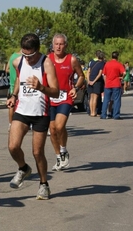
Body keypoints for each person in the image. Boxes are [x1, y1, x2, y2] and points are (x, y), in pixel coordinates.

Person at [6, 33, 59, 200]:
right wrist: (13, 96)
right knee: (13, 146)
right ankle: (23, 168)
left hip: (40, 113)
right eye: (24, 54)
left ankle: (44, 184)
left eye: (30, 55)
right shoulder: (18, 61)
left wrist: (41, 87)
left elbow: (56, 91)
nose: (27, 58)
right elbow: (18, 81)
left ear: (38, 50)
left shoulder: (46, 63)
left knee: (37, 152)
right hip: (22, 110)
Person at [48, 34, 85, 171]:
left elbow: (81, 76)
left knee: (59, 126)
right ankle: (59, 158)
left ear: (66, 45)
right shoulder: (47, 59)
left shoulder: (72, 60)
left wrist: (75, 88)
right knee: (52, 130)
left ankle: (63, 150)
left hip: (66, 97)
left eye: (61, 44)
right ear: (53, 45)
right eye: (56, 44)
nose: (58, 46)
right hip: (51, 97)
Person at [100, 51, 125, 120]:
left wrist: (106, 82)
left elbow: (104, 74)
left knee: (106, 100)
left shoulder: (107, 64)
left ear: (111, 56)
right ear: (117, 57)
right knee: (116, 100)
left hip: (108, 84)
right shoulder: (119, 64)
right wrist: (121, 77)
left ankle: (103, 115)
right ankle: (116, 115)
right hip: (116, 84)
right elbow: (124, 73)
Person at [5, 51, 20, 131]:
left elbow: (6, 69)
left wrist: (13, 72)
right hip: (19, 84)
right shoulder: (23, 58)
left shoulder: (12, 56)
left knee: (11, 105)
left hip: (12, 84)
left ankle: (10, 124)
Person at [86, 51, 105, 117]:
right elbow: (99, 74)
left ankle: (91, 112)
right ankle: (94, 112)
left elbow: (88, 72)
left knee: (91, 97)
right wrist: (94, 81)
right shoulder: (102, 63)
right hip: (96, 82)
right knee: (95, 97)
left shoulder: (92, 62)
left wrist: (89, 80)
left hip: (90, 80)